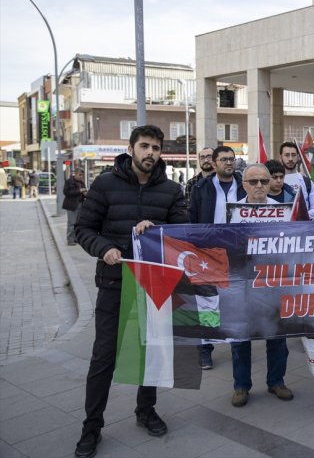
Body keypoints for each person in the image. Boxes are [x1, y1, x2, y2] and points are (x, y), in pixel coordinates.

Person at [73, 125, 188, 458]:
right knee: (103, 359)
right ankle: (91, 427)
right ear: (131, 148)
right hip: (114, 283)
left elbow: (183, 230)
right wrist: (104, 247)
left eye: (155, 147)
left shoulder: (170, 189)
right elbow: (83, 228)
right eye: (144, 146)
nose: (149, 152)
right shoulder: (105, 184)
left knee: (150, 353)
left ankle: (146, 410)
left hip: (153, 286)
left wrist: (157, 228)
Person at [189, 148, 294, 407]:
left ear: (271, 183)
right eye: (253, 181)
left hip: (273, 282)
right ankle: (241, 386)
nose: (259, 185)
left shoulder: (285, 211)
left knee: (277, 335)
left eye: (264, 181)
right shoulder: (232, 211)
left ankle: (276, 381)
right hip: (241, 282)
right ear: (243, 183)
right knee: (240, 336)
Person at [279, 141, 314, 218]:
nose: (290, 159)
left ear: (298, 157)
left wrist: (300, 216)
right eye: (287, 155)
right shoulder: (274, 182)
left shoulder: (307, 182)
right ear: (281, 157)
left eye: (294, 155)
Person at [63, 169, 87, 246]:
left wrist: (86, 193)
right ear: (75, 174)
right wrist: (79, 191)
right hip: (71, 205)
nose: (81, 176)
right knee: (71, 222)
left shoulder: (82, 182)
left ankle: (76, 238)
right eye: (80, 175)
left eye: (82, 175)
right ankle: (70, 239)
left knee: (78, 223)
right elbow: (66, 192)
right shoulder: (69, 181)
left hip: (80, 204)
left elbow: (84, 192)